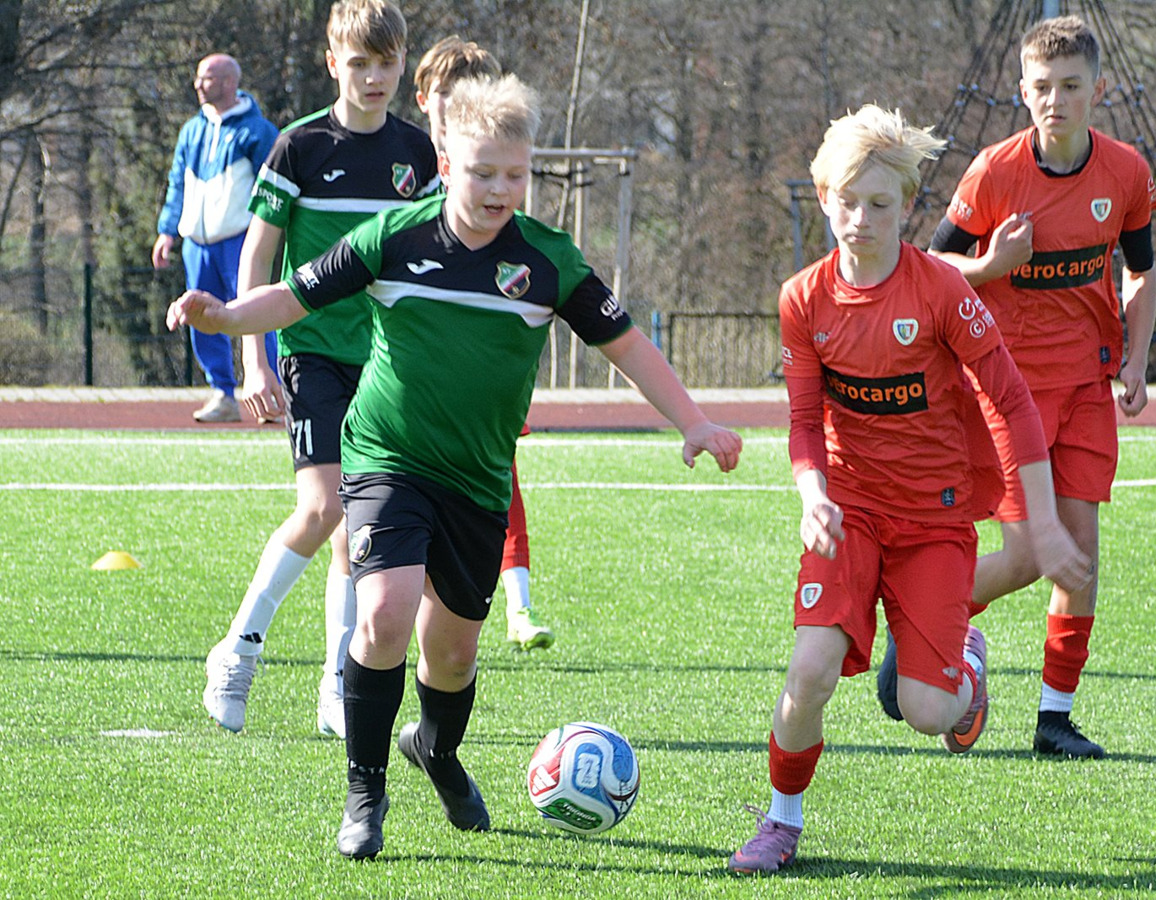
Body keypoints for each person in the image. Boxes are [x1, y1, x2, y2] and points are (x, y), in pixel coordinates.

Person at [167, 73, 743, 861]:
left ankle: (434, 749)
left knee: (453, 653)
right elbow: (297, 296)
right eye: (482, 172)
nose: (499, 189)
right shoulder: (393, 236)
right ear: (445, 164)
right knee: (383, 614)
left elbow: (627, 346)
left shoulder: (547, 259)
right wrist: (230, 317)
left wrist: (694, 421)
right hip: (387, 457)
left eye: (515, 174)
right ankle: (365, 791)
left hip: (476, 480)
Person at [729, 105, 1091, 875]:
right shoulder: (803, 299)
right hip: (849, 511)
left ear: (907, 205)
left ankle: (967, 664)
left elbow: (1012, 401)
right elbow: (803, 422)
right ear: (823, 197)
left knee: (927, 711)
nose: (861, 220)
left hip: (935, 518)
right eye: (847, 202)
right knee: (809, 670)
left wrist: (1042, 523)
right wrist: (812, 495)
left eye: (880, 204)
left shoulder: (942, 291)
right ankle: (781, 821)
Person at [875, 15, 1156, 761]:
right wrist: (989, 267)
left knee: (1081, 554)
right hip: (1007, 388)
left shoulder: (1126, 173)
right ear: (1023, 92)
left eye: (1071, 86)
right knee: (1032, 554)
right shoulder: (994, 173)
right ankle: (932, 624)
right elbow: (927, 269)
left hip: (1088, 384)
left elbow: (1142, 272)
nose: (1055, 100)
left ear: (1099, 90)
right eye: (1042, 87)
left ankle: (1054, 720)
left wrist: (1136, 359)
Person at [199, 0, 439, 739]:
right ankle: (238, 650)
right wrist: (253, 360)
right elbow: (258, 255)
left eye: (386, 62)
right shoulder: (299, 147)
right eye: (358, 63)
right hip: (312, 354)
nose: (373, 77)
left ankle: (336, 686)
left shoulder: (419, 155)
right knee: (323, 507)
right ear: (333, 63)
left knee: (355, 528)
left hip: (387, 366)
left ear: (402, 63)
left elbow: (432, 257)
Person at [412, 36, 553, 651]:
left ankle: (518, 604)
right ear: (426, 100)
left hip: (480, 381)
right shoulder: (405, 179)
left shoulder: (502, 198)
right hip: (405, 388)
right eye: (447, 94)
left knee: (501, 475)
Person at [153, 53, 279, 423]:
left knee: (256, 313)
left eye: (206, 77)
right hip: (197, 244)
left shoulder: (258, 131)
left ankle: (272, 395)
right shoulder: (191, 130)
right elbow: (177, 182)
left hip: (241, 241)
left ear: (228, 82)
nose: (197, 84)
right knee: (200, 317)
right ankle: (223, 394)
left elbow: (274, 188)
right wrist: (167, 231)